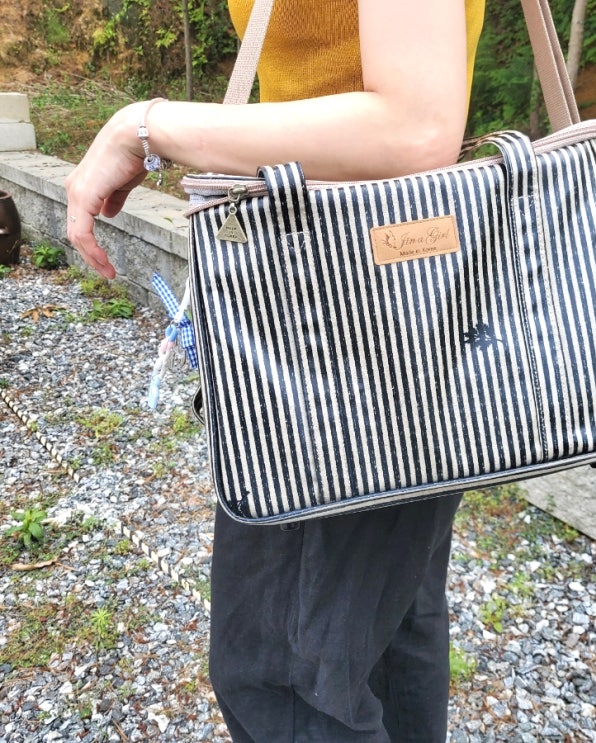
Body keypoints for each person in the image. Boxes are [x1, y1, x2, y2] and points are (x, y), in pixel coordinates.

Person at [65, 1, 485, 740]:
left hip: (342, 329)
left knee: (282, 675)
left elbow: (415, 127)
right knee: (382, 638)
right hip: (393, 303)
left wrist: (143, 126)